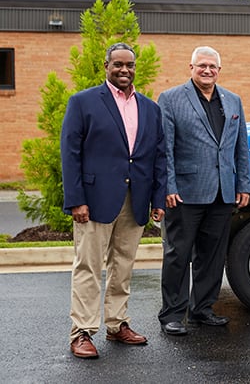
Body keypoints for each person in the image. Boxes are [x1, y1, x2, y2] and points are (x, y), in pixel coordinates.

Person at [61, 42, 167, 359]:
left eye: (130, 65)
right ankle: (81, 331)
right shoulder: (83, 102)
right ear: (106, 65)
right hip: (93, 201)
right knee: (89, 267)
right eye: (118, 64)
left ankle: (117, 323)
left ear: (135, 68)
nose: (124, 70)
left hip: (136, 199)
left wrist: (157, 198)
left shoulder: (150, 108)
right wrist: (76, 199)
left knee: (123, 267)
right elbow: (71, 154)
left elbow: (158, 157)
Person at [158, 46, 250, 336]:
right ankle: (172, 314)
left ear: (219, 70)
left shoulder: (233, 101)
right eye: (202, 66)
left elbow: (241, 147)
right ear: (191, 67)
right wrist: (168, 185)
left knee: (211, 255)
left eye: (212, 66)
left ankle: (202, 309)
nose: (207, 70)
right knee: (178, 254)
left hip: (223, 192)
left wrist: (243, 184)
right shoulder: (171, 99)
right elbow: (165, 149)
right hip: (185, 192)